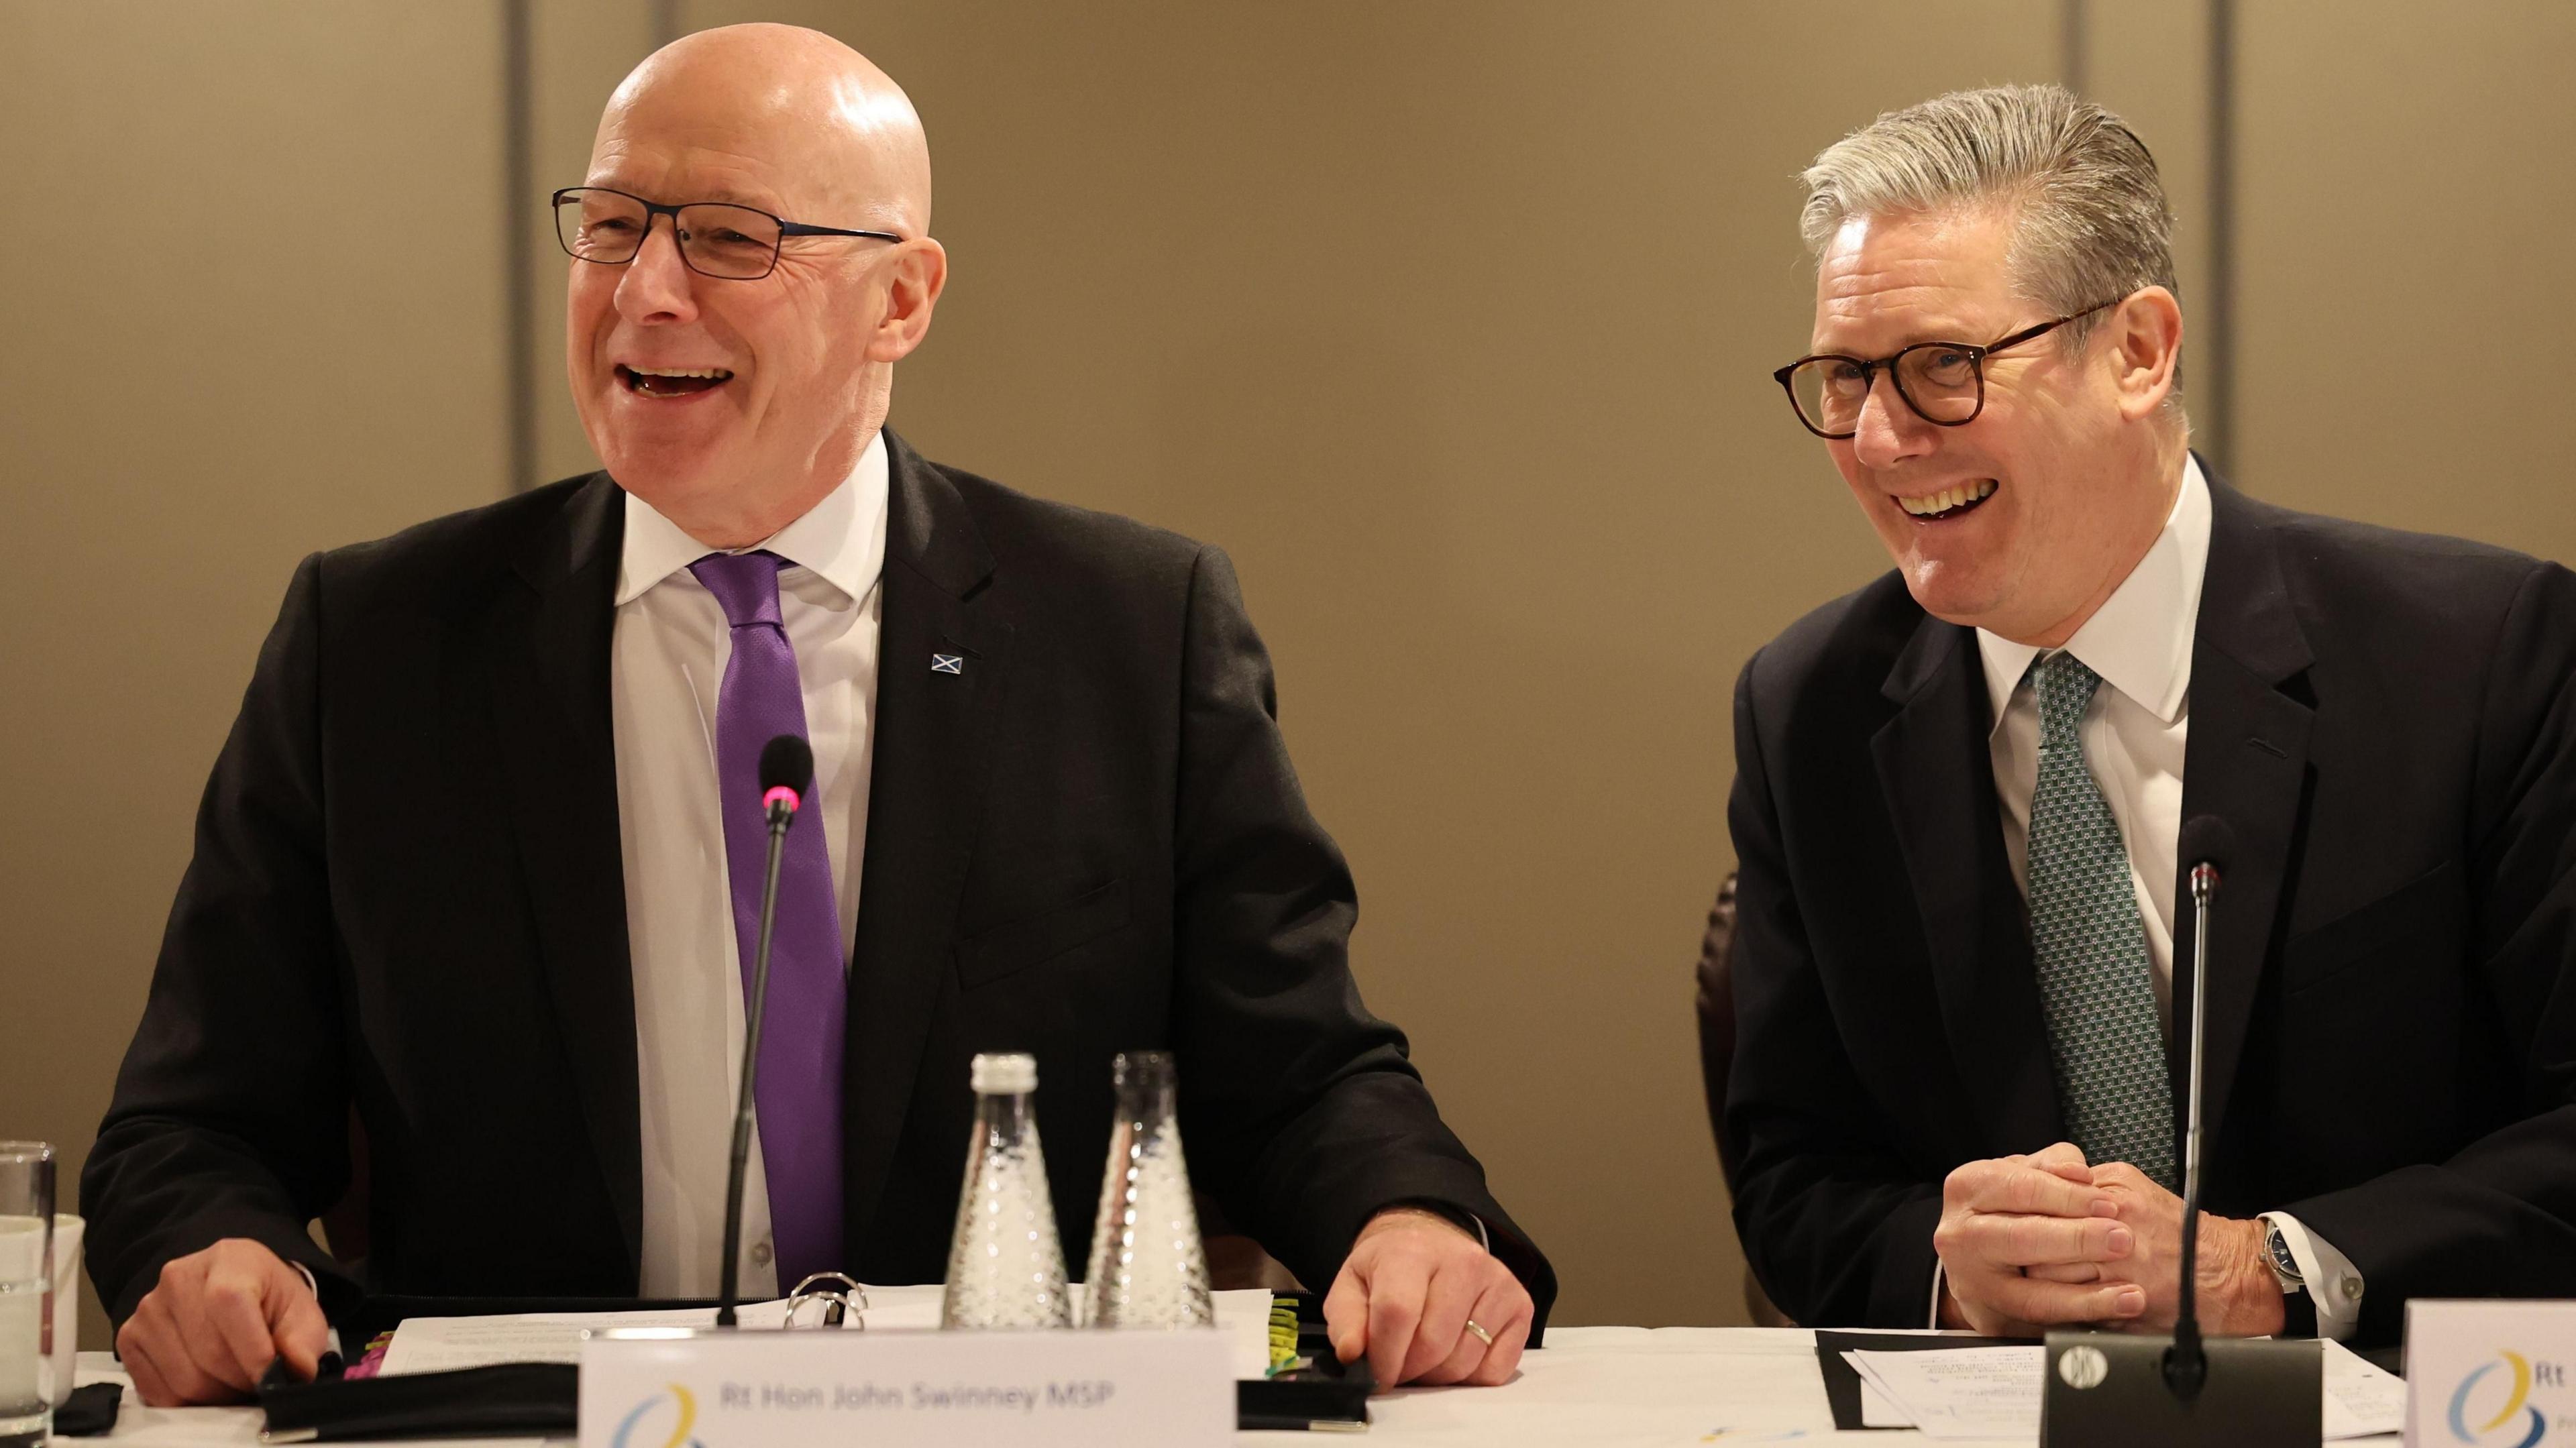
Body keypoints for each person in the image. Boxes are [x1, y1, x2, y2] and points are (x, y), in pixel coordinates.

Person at [85, 23, 1550, 1406]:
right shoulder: (384, 642)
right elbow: (193, 1124)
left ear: (901, 299)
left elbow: (1296, 1071)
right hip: (531, 1424)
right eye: (611, 226)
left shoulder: (1125, 628)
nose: (646, 291)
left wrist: (1410, 1216)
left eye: (730, 239)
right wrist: (212, 1249)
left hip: (994, 1417)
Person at [1725, 83, 2576, 1349]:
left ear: (2137, 351)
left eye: (1942, 369)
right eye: (1847, 378)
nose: (1885, 438)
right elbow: (1794, 1172)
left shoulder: (2481, 656)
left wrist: (2273, 1269)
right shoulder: (1812, 708)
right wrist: (1952, 1273)